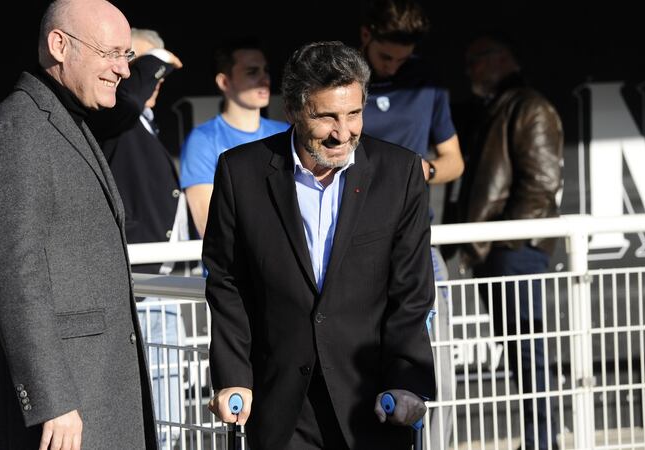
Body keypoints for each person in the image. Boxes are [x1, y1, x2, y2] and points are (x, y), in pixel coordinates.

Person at [204, 41, 436, 450]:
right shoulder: (240, 173)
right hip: (279, 405)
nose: (342, 132)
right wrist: (233, 377)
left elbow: (411, 291)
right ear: (292, 111)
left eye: (353, 114)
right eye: (326, 116)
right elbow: (227, 282)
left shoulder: (399, 175)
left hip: (374, 401)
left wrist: (407, 381)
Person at [0, 1, 157, 449]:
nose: (123, 70)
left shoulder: (64, 121)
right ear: (59, 45)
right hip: (64, 412)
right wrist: (51, 398)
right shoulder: (18, 128)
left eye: (126, 56)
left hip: (95, 395)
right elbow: (15, 275)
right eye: (111, 53)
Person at [450, 32, 563, 450]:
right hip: (499, 250)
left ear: (502, 59)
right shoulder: (497, 108)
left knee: (528, 351)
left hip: (514, 250)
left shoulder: (529, 106)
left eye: (476, 60)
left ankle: (542, 441)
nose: (470, 71)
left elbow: (543, 183)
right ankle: (539, 439)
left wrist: (503, 239)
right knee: (519, 352)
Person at [358, 0, 464, 446]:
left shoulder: (429, 83)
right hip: (355, 247)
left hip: (417, 246)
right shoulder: (342, 80)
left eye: (403, 59)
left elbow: (454, 160)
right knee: (359, 364)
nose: (396, 67)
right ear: (365, 36)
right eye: (387, 57)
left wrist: (425, 170)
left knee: (430, 370)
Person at [87, 27, 186, 449]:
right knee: (151, 423)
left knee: (171, 420)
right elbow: (129, 94)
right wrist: (157, 57)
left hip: (165, 287)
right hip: (136, 290)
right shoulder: (111, 112)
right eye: (133, 64)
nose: (149, 79)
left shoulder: (139, 121)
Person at [179, 38, 289, 238]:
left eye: (265, 70)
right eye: (252, 72)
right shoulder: (202, 140)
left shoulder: (287, 132)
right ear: (224, 82)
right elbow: (208, 224)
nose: (264, 79)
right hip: (233, 267)